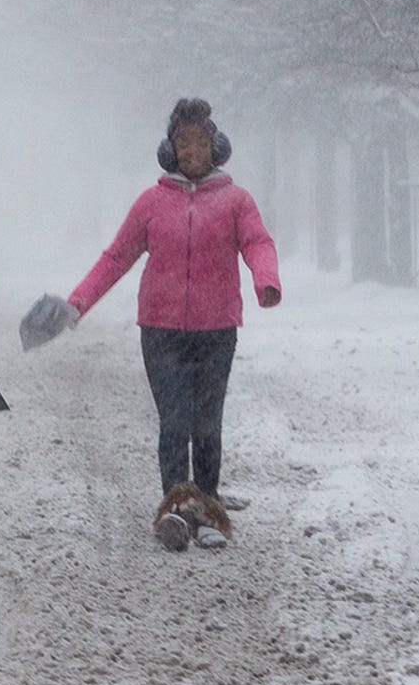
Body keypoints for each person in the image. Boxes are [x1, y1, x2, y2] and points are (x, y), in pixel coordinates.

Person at [60, 98, 279, 546]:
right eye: (182, 142)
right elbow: (116, 257)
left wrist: (266, 282)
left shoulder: (237, 201)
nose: (191, 151)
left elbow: (258, 243)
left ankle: (210, 510)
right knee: (174, 421)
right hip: (160, 330)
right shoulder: (151, 203)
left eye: (200, 142)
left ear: (215, 146)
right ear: (170, 149)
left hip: (217, 329)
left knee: (208, 423)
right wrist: (78, 302)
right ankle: (177, 510)